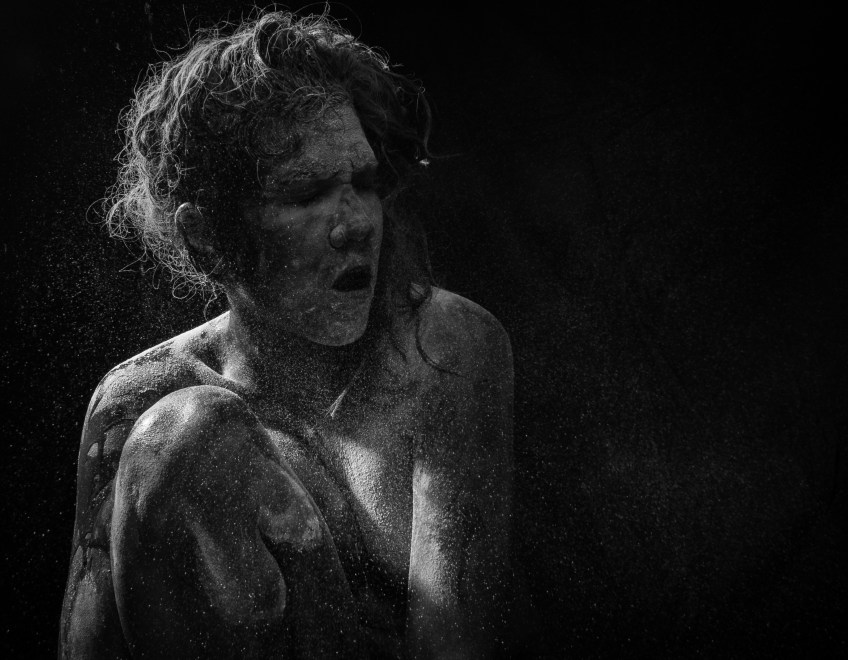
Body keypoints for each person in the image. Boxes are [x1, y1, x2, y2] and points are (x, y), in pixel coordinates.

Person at [59, 10, 513, 659]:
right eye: (306, 194)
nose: (358, 223)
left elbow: (454, 649)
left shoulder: (441, 349)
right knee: (187, 435)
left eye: (364, 183)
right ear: (206, 239)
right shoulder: (137, 402)